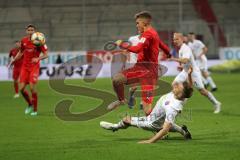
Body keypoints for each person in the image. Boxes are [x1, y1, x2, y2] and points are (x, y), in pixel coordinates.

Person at [100, 67, 194, 143]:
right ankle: (183, 131)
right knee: (167, 124)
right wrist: (189, 75)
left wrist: (150, 141)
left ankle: (114, 127)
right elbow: (190, 89)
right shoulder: (182, 96)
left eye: (178, 87)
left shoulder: (173, 107)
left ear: (181, 94)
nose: (176, 86)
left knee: (126, 120)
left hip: (151, 123)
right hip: (159, 120)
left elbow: (165, 129)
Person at [108, 11, 171, 115]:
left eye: (138, 23)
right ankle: (121, 100)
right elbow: (162, 45)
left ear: (144, 23)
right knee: (117, 80)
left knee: (147, 111)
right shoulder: (150, 34)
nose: (136, 25)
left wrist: (122, 44)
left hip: (150, 73)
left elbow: (137, 49)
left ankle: (164, 125)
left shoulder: (148, 34)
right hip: (139, 68)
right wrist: (168, 53)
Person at [169, 33, 221, 114]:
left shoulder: (186, 48)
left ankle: (216, 103)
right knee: (175, 84)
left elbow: (185, 60)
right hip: (185, 71)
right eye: (174, 39)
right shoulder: (180, 49)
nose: (175, 41)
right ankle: (177, 106)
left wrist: (173, 59)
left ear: (182, 39)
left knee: (202, 91)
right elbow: (184, 63)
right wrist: (181, 66)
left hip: (193, 72)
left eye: (177, 39)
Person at [9, 24, 48, 116]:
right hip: (25, 67)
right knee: (21, 89)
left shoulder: (39, 41)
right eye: (29, 30)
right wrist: (14, 60)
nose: (30, 31)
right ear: (26, 31)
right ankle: (30, 104)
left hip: (34, 67)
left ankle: (35, 110)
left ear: (35, 31)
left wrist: (37, 59)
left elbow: (46, 54)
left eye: (32, 30)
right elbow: (21, 52)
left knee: (31, 88)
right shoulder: (24, 40)